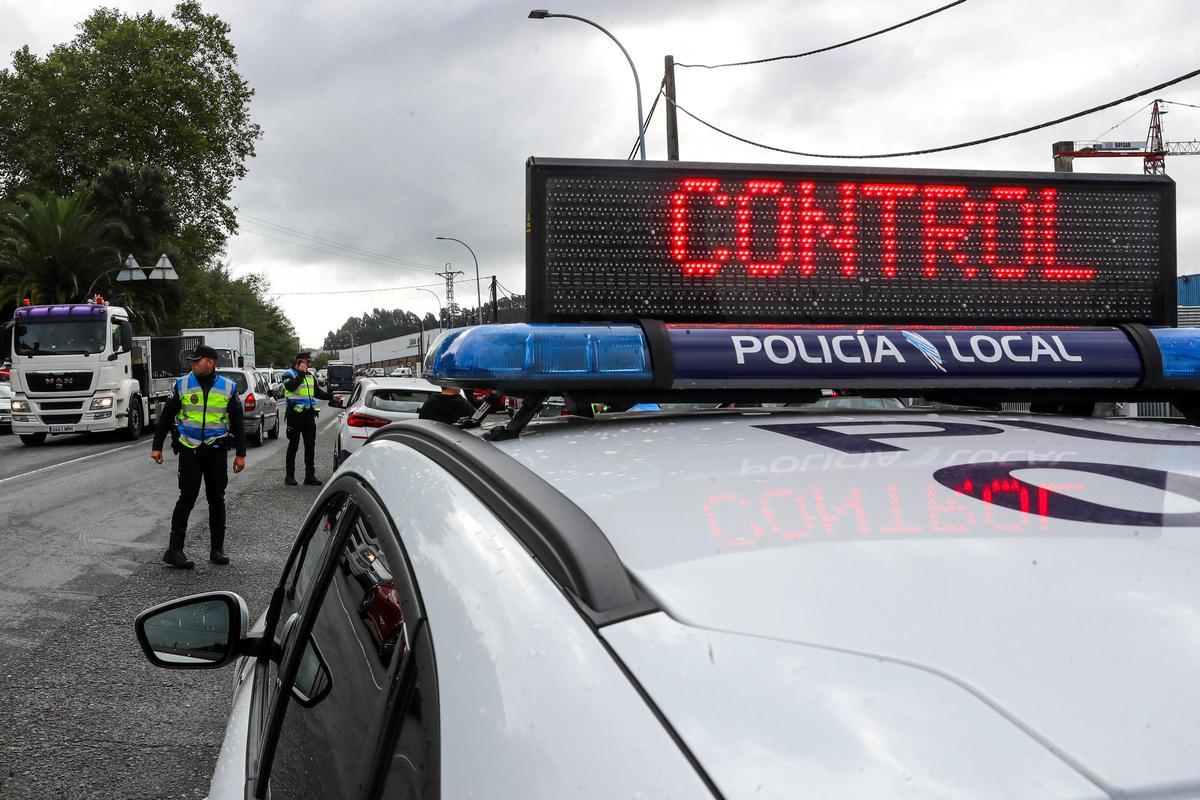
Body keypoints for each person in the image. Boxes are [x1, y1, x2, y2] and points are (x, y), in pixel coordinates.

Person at [150, 344, 247, 569]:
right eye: (192, 360)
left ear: (210, 363)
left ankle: (217, 550)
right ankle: (174, 551)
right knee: (187, 497)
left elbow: (238, 423)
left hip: (216, 450)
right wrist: (157, 446)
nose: (192, 364)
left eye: (197, 360)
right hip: (190, 449)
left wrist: (240, 454)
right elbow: (166, 417)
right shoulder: (182, 384)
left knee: (217, 499)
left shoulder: (228, 387)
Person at [281, 351, 330, 486]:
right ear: (300, 362)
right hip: (294, 416)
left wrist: (331, 396)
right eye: (307, 362)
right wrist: (301, 374)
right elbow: (290, 387)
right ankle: (289, 476)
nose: (308, 365)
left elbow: (317, 392)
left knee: (310, 446)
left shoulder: (309, 375)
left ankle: (310, 476)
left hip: (308, 415)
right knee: (293, 446)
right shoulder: (288, 374)